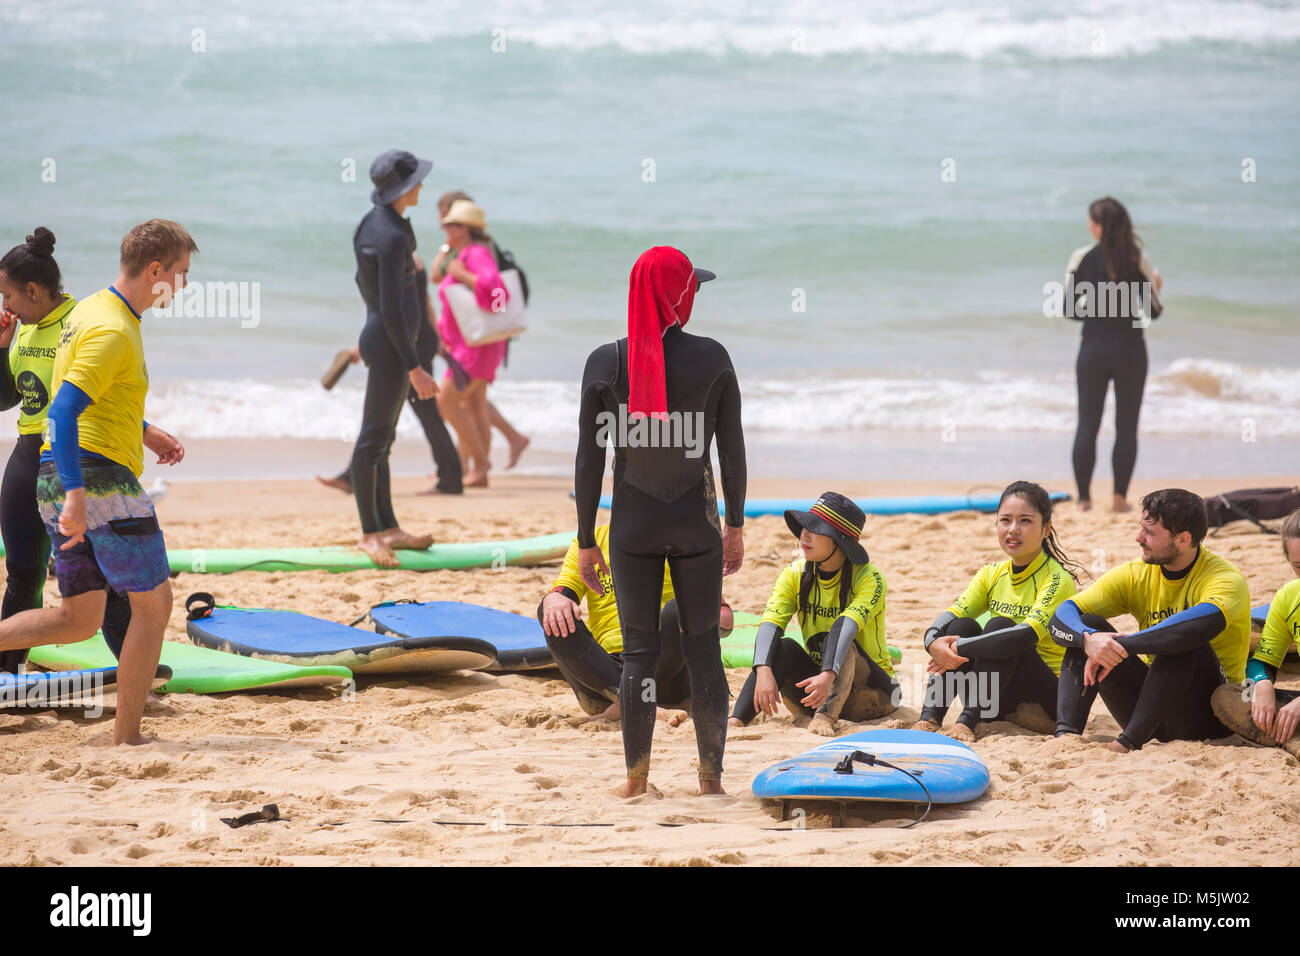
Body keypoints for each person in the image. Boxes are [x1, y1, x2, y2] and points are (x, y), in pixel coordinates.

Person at [0, 219, 193, 745]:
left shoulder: (88, 310)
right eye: (179, 274)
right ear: (154, 269)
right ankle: (128, 737)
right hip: (97, 480)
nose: (182, 285)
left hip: (55, 474)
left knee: (76, 618)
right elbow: (62, 414)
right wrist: (78, 496)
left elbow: (75, 395)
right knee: (154, 606)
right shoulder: (112, 330)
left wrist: (143, 430)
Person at [575, 245, 745, 797]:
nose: (695, 293)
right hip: (696, 527)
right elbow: (732, 452)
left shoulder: (607, 362)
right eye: (692, 286)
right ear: (679, 294)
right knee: (703, 652)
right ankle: (711, 781)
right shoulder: (714, 357)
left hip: (632, 529)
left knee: (640, 656)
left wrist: (584, 540)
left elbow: (588, 459)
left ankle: (635, 780)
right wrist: (735, 525)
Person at [0, 229, 139, 673]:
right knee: (23, 575)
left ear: (33, 290)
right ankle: (5, 673)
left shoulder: (78, 323)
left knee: (110, 572)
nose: (5, 306)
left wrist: (144, 428)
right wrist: (2, 347)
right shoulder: (23, 330)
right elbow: (8, 399)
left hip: (69, 456)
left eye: (7, 296)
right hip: (26, 455)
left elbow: (95, 394)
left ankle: (136, 668)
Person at [1050, 489, 1249, 753]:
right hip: (1149, 712)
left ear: (1183, 539)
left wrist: (1123, 646)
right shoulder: (1136, 574)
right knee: (1088, 626)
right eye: (1141, 528)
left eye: (1150, 533)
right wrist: (1087, 639)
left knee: (1179, 639)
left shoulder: (1225, 579)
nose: (1139, 538)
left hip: (1209, 717)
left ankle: (1126, 743)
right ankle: (1066, 735)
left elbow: (1197, 627)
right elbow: (1062, 615)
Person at [912, 481, 1079, 739]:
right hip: (994, 700)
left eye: (1025, 521)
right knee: (962, 626)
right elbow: (952, 615)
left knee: (1001, 628)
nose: (1013, 529)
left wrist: (959, 647)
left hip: (1045, 705)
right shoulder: (991, 573)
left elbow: (1024, 635)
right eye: (1005, 520)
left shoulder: (1057, 579)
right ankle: (929, 718)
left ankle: (967, 722)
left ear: (1046, 529)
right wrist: (932, 641)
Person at [729, 492, 898, 737]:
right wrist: (763, 670)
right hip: (816, 690)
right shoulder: (794, 573)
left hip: (874, 695)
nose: (804, 535)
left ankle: (825, 717)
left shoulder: (869, 578)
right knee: (784, 647)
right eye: (804, 527)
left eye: (816, 530)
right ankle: (736, 721)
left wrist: (828, 675)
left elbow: (847, 626)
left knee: (840, 635)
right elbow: (771, 624)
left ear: (839, 540)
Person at [539, 522, 733, 723]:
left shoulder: (679, 540)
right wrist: (554, 598)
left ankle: (626, 703)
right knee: (551, 611)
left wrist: (706, 614)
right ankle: (630, 699)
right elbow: (564, 592)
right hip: (603, 675)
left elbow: (725, 621)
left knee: (678, 609)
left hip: (664, 670)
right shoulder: (591, 543)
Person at [349, 149, 439, 566]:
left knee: (383, 440)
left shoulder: (380, 225)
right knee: (372, 441)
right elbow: (389, 307)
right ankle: (370, 534)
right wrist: (414, 366)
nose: (421, 185)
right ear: (403, 187)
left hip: (384, 341)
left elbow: (364, 284)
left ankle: (389, 527)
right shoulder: (390, 235)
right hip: (389, 347)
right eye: (416, 180)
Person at [317, 247, 463, 496]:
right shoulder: (414, 259)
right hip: (417, 337)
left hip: (410, 341)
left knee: (401, 410)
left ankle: (450, 478)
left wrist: (361, 345)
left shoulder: (397, 259)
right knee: (397, 411)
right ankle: (449, 476)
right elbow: (422, 302)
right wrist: (434, 337)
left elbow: (392, 310)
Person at [1064, 197, 1163, 513]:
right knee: (1126, 426)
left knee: (1086, 425)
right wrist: (1156, 286)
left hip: (1092, 350)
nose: (1088, 227)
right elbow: (1152, 312)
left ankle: (1083, 500)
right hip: (1131, 352)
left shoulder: (1081, 258)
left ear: (1100, 226)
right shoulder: (1139, 259)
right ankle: (1119, 499)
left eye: (1091, 221)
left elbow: (1070, 309)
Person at [428, 190, 529, 476]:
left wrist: (462, 276)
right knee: (474, 406)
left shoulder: (476, 254)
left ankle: (480, 463)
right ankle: (479, 473)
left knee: (445, 404)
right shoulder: (463, 253)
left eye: (449, 225)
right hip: (470, 344)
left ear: (463, 229)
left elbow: (498, 294)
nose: (442, 228)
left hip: (475, 347)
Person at [1210, 508, 1300, 757]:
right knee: (1227, 697)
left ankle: (1288, 736)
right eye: (1299, 567)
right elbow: (1262, 660)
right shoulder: (1289, 597)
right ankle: (1289, 734)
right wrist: (1261, 684)